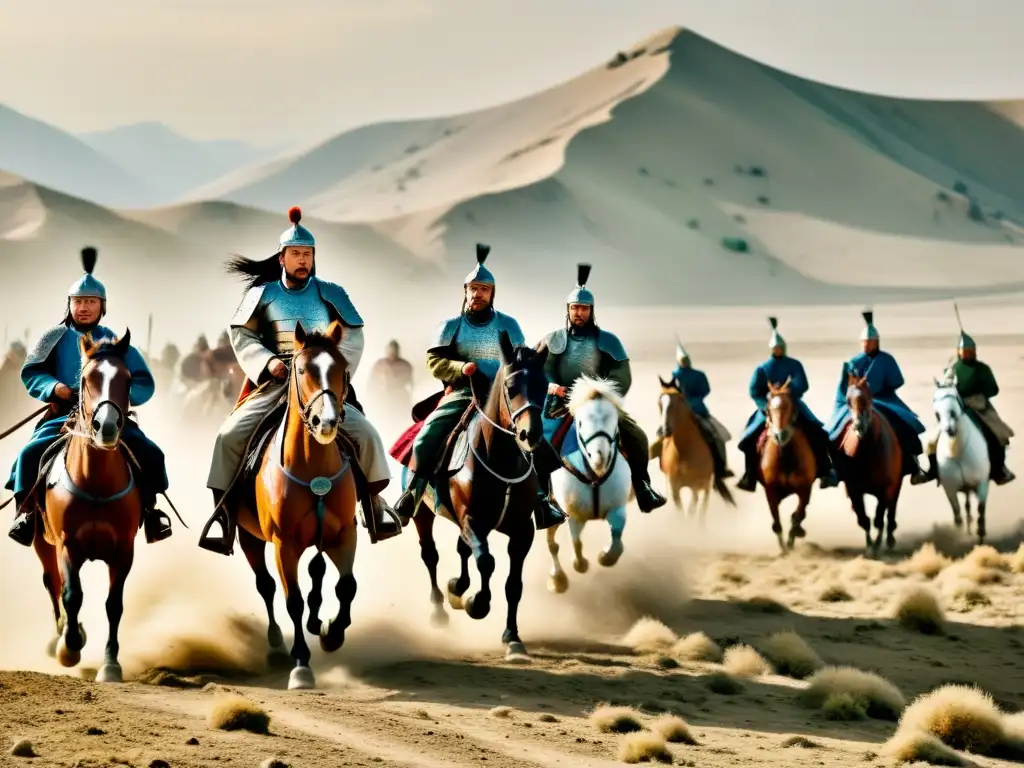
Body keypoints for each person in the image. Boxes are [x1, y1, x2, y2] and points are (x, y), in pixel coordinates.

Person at [199, 207, 404, 555]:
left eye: (307, 254)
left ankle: (374, 505)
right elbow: (242, 336)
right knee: (228, 436)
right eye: (295, 254)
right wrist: (267, 363)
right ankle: (224, 515)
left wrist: (335, 372)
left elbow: (353, 336)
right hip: (275, 383)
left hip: (321, 385)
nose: (302, 260)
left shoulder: (332, 293)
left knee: (367, 434)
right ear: (282, 257)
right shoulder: (261, 295)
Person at [5, 247, 173, 545]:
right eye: (78, 301)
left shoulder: (115, 342)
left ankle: (150, 511)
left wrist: (118, 398)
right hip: (62, 417)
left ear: (102, 306)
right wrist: (53, 388)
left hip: (109, 418)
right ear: (69, 304)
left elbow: (144, 380)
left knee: (151, 454)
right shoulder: (52, 337)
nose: (83, 307)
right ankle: (27, 514)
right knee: (28, 455)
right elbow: (31, 372)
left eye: (90, 302)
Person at [392, 243, 565, 529]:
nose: (478, 294)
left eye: (483, 289)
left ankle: (542, 500)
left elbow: (522, 361)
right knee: (426, 437)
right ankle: (412, 494)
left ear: (492, 293)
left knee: (535, 439)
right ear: (465, 291)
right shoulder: (451, 326)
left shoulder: (509, 325)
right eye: (473, 288)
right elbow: (433, 361)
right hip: (463, 393)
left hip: (504, 396)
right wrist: (461, 368)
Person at [537, 263, 666, 512]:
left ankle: (643, 487)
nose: (579, 313)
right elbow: (538, 370)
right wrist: (552, 387)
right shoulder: (552, 340)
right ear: (568, 310)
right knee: (538, 443)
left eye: (584, 308)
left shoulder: (608, 341)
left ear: (591, 311)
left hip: (598, 404)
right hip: (559, 405)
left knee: (636, 436)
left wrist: (602, 394)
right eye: (574, 308)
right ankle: (543, 499)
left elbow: (622, 375)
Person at [736, 317, 839, 492]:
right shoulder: (762, 368)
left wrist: (788, 391)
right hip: (768, 409)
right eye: (775, 347)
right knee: (748, 439)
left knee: (818, 432)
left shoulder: (794, 364)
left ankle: (825, 470)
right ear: (771, 349)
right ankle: (749, 475)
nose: (778, 349)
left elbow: (803, 384)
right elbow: (754, 390)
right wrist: (765, 406)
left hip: (793, 406)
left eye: (780, 347)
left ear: (784, 348)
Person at [827, 310, 928, 481]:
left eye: (870, 342)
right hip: (857, 401)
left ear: (877, 342)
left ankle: (914, 464)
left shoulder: (887, 360)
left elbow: (897, 381)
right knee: (834, 431)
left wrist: (880, 385)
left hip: (884, 399)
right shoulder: (853, 362)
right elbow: (844, 386)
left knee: (905, 424)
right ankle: (833, 469)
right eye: (864, 342)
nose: (866, 345)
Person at [913, 325, 1015, 485]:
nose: (967, 353)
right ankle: (933, 470)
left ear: (975, 351)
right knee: (931, 441)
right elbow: (946, 385)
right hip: (956, 406)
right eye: (964, 351)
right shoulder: (953, 368)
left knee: (998, 434)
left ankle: (999, 470)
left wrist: (981, 391)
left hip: (979, 406)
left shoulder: (982, 369)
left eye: (970, 350)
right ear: (959, 352)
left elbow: (993, 389)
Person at [653, 339, 734, 479]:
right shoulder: (674, 377)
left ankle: (721, 467)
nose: (684, 361)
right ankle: (663, 465)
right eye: (682, 359)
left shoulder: (699, 375)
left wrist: (692, 401)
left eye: (686, 359)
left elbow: (705, 390)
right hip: (678, 415)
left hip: (699, 411)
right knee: (661, 436)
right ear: (678, 360)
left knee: (717, 435)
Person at [368, 340, 414, 415]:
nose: (392, 353)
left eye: (394, 350)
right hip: (382, 396)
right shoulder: (380, 364)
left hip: (399, 397)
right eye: (390, 350)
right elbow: (371, 381)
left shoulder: (405, 365)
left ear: (398, 351)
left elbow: (409, 382)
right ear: (387, 350)